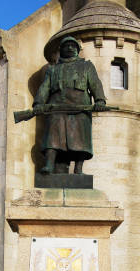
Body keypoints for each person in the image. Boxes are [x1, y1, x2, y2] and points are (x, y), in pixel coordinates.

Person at [33, 36, 106, 174]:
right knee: (52, 136)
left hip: (80, 107)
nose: (70, 48)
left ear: (78, 50)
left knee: (80, 138)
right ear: (61, 50)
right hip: (57, 107)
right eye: (67, 46)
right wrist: (38, 103)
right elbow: (44, 88)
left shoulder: (86, 66)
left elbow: (95, 83)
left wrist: (100, 100)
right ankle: (49, 165)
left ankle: (78, 169)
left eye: (73, 45)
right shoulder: (52, 69)